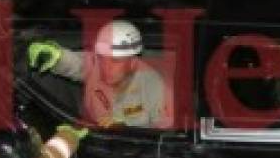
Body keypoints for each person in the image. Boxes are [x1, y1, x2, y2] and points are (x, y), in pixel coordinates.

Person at [27, 19, 172, 129]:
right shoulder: (95, 64)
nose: (105, 68)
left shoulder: (154, 86)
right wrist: (57, 57)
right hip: (90, 132)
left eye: (115, 61)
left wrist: (125, 126)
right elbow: (76, 63)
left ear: (133, 60)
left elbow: (165, 134)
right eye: (102, 58)